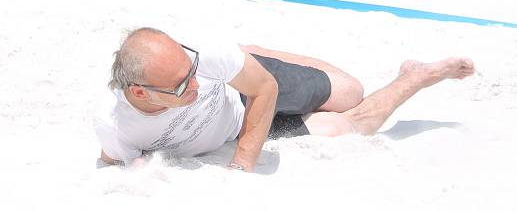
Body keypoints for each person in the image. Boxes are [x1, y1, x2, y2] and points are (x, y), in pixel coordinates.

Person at [95, 27, 474, 172]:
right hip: (235, 127)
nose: (194, 85)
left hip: (247, 90)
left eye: (192, 71)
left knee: (350, 91)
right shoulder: (116, 128)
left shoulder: (207, 56)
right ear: (140, 93)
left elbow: (265, 90)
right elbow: (120, 165)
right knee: (345, 127)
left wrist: (243, 162)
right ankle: (416, 76)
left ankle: (253, 54)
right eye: (181, 87)